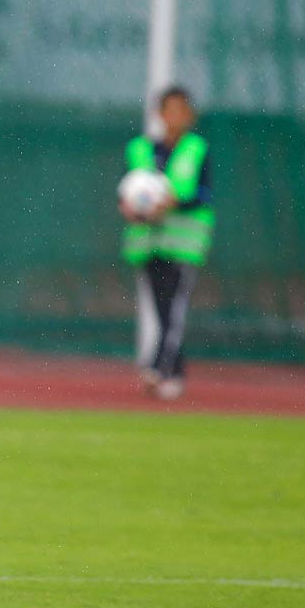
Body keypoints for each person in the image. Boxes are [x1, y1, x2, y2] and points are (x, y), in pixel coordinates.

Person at [121, 86, 212, 400]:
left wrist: (175, 202)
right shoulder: (140, 150)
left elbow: (204, 194)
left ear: (189, 116)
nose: (174, 117)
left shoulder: (197, 149)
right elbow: (126, 192)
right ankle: (175, 371)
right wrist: (133, 209)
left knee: (174, 308)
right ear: (159, 115)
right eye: (168, 110)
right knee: (162, 310)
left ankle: (157, 367)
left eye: (180, 110)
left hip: (184, 243)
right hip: (147, 242)